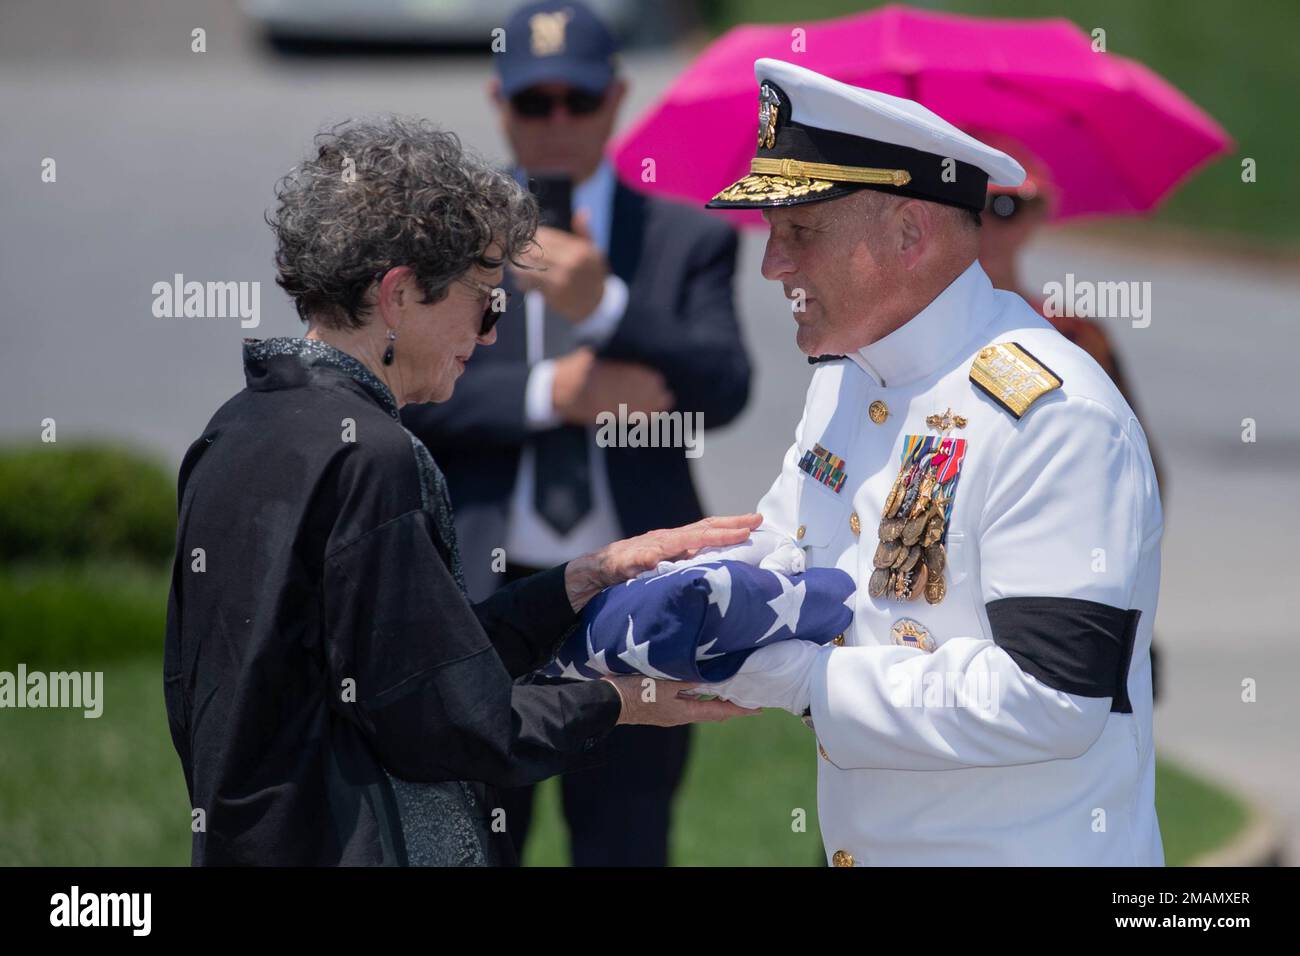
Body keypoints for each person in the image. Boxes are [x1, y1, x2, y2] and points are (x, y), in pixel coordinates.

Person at [162, 116, 759, 866]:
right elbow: (456, 725)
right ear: (399, 294)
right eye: (486, 299)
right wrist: (626, 701)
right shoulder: (371, 457)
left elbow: (408, 664)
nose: (486, 334)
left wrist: (585, 578)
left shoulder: (237, 426)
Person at [691, 59, 1164, 865]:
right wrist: (670, 596)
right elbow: (787, 547)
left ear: (909, 234)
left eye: (799, 232)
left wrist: (809, 685)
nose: (773, 266)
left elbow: (1052, 696)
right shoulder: (848, 375)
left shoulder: (1053, 414)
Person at [401, 0, 752, 866]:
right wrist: (549, 392)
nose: (556, 122)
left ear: (617, 97)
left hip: (632, 593)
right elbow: (400, 398)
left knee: (627, 840)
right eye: (533, 102)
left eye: (578, 99)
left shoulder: (681, 235)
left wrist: (610, 306)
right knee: (472, 841)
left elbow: (723, 387)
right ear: (499, 100)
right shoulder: (444, 241)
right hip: (484, 587)